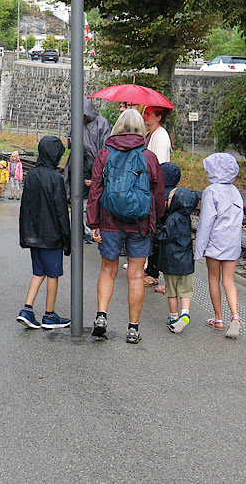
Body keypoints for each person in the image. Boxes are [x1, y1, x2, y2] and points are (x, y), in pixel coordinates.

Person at [87, 108, 164, 344]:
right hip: (140, 223)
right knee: (135, 275)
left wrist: (93, 222)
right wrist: (156, 218)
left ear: (118, 126)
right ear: (141, 128)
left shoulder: (105, 154)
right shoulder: (148, 156)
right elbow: (158, 193)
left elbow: (96, 190)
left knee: (108, 271)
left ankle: (101, 316)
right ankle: (133, 329)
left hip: (110, 220)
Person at [16, 136, 71, 329]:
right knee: (53, 274)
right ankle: (49, 314)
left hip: (33, 235)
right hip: (52, 236)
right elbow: (61, 211)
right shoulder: (56, 178)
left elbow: (25, 207)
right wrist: (68, 239)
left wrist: (24, 234)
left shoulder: (31, 175)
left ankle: (27, 309)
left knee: (38, 272)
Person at [195, 153, 244, 339]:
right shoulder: (235, 191)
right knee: (229, 280)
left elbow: (206, 222)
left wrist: (199, 248)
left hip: (216, 240)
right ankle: (235, 315)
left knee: (213, 278)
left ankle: (218, 318)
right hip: (232, 241)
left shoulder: (211, 191)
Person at [155, 162, 198, 333]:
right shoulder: (186, 218)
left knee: (171, 291)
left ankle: (173, 316)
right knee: (186, 290)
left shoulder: (172, 219)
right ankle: (185, 313)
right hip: (186, 261)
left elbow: (164, 236)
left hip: (171, 261)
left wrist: (155, 229)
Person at [68, 97, 111, 243]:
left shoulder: (101, 123)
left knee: (91, 202)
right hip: (79, 166)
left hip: (95, 166)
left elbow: (105, 148)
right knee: (78, 200)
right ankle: (79, 230)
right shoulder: (78, 123)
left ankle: (91, 229)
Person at [142, 106, 173, 289]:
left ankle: (153, 271)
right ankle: (148, 267)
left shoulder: (160, 136)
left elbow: (159, 166)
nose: (145, 116)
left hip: (156, 186)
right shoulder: (151, 134)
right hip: (151, 185)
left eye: (149, 114)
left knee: (155, 229)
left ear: (158, 117)